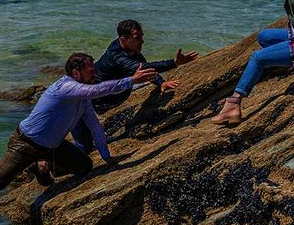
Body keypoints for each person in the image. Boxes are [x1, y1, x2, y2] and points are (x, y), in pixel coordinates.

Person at [0, 53, 157, 225]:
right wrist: (130, 80)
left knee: (85, 165)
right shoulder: (67, 87)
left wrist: (107, 157)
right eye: (89, 70)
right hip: (25, 144)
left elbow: (95, 126)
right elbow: (96, 91)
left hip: (53, 146)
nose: (93, 73)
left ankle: (42, 167)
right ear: (76, 73)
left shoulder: (82, 98)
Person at [70, 19, 199, 153]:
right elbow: (143, 69)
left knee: (89, 144)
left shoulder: (131, 51)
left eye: (142, 37)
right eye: (137, 38)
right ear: (124, 40)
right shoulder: (116, 56)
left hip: (101, 100)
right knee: (84, 148)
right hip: (86, 102)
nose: (142, 41)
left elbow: (143, 67)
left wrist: (161, 82)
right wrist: (173, 63)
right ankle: (51, 161)